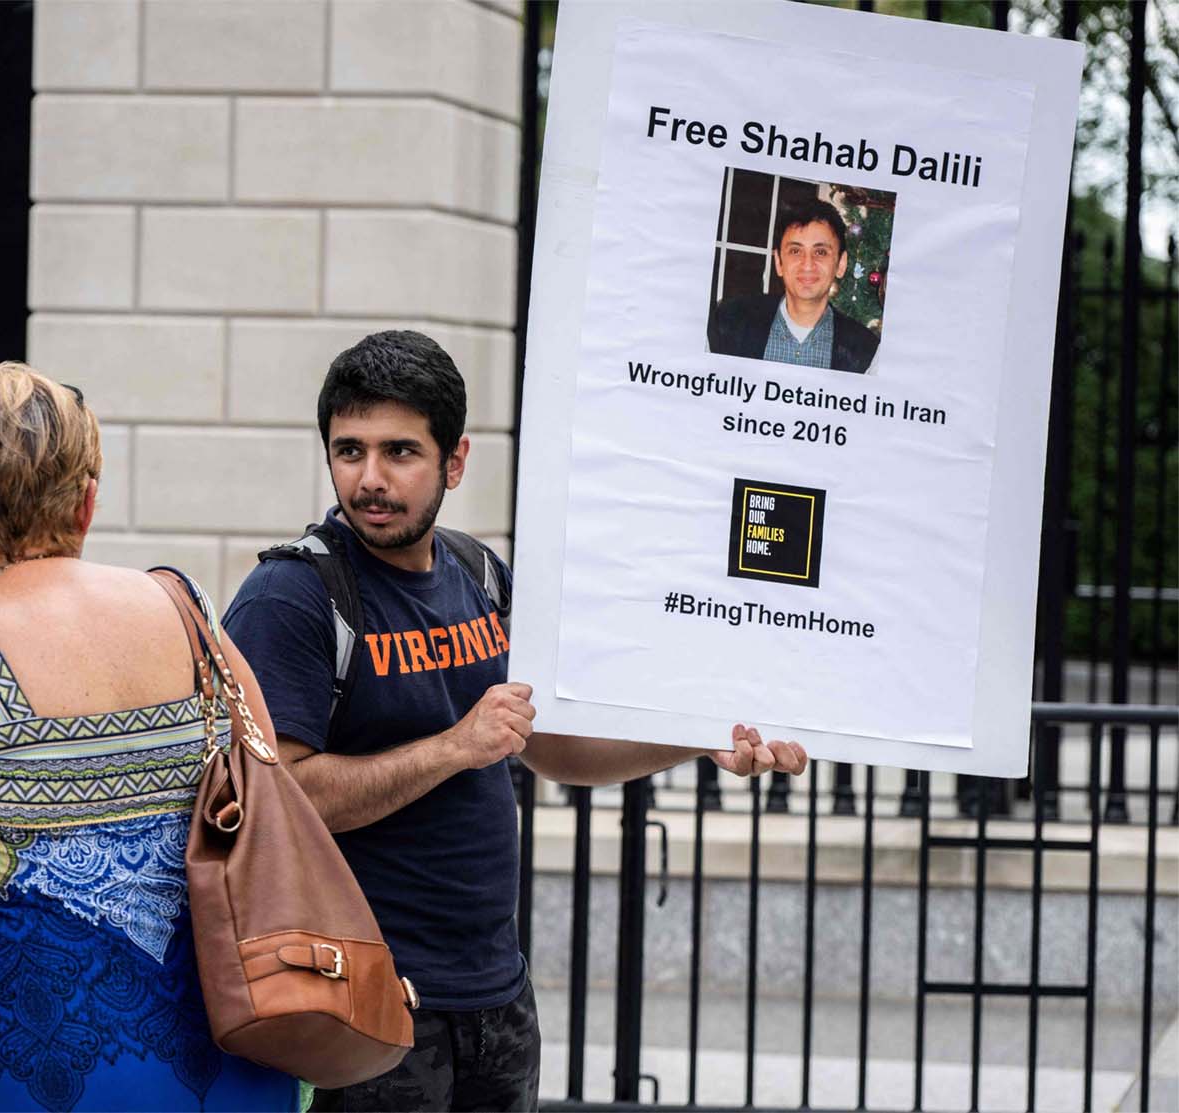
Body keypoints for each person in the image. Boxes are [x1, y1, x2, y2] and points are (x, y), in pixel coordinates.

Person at [222, 330, 809, 1112]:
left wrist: (696, 738)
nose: (369, 478)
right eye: (349, 450)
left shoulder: (478, 573)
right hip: (364, 1001)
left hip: (496, 995)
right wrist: (453, 748)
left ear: (454, 461)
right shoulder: (291, 597)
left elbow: (555, 745)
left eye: (400, 451)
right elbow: (278, 798)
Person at [0, 363, 299, 1113]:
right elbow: (268, 779)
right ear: (88, 500)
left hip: (29, 1063)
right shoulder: (185, 607)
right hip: (232, 1052)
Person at [708, 198, 880, 373]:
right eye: (795, 251)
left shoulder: (867, 351)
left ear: (841, 264)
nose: (807, 265)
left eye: (820, 252)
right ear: (778, 262)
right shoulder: (729, 323)